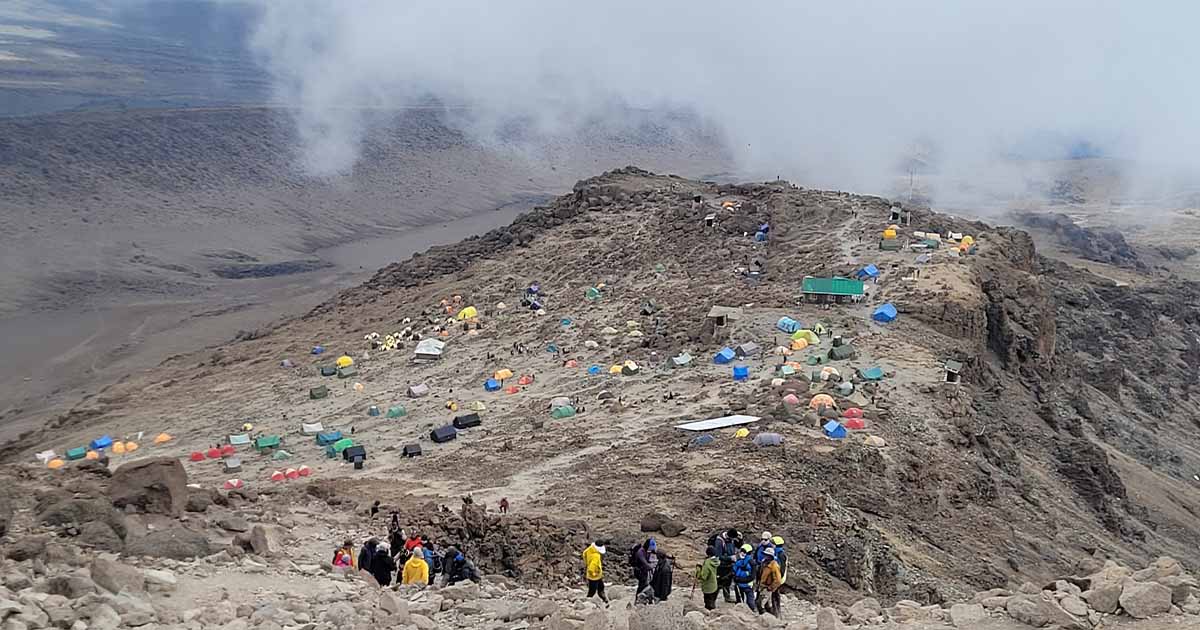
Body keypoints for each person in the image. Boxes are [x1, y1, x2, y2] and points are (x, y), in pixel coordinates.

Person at [712, 529, 740, 603]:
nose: (734, 540)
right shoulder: (720, 541)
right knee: (719, 583)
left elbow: (739, 545)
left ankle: (727, 597)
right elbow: (718, 555)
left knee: (727, 582)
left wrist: (741, 539)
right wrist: (730, 558)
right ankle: (712, 599)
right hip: (721, 565)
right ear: (729, 536)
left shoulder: (731, 540)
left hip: (729, 565)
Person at [757, 547, 783, 617]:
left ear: (771, 556)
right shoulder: (764, 563)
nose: (766, 556)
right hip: (763, 586)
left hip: (767, 587)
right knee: (766, 604)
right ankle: (772, 617)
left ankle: (766, 619)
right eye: (765, 554)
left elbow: (778, 580)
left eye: (767, 555)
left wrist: (770, 588)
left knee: (760, 604)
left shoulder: (774, 566)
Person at [732, 544, 757, 611]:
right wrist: (734, 576)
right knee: (740, 601)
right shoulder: (739, 561)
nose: (742, 552)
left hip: (747, 585)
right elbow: (734, 570)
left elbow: (752, 576)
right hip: (739, 584)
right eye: (741, 551)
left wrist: (739, 579)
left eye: (744, 551)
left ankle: (752, 611)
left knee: (750, 602)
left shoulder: (752, 563)